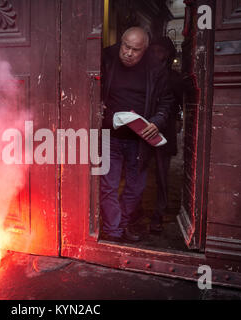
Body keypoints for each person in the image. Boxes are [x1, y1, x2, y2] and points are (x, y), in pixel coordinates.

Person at [100, 27, 173, 243]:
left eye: (135, 50)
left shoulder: (155, 68)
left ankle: (122, 224)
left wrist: (157, 121)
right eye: (126, 46)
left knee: (136, 187)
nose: (129, 53)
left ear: (145, 50)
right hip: (109, 135)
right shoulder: (106, 58)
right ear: (120, 42)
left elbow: (167, 101)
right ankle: (113, 231)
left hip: (139, 140)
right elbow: (89, 82)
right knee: (108, 186)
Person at [149, 37, 184, 233]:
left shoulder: (173, 78)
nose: (156, 54)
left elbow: (179, 102)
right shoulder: (143, 73)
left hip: (165, 129)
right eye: (153, 50)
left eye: (160, 51)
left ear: (168, 54)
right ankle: (135, 210)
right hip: (142, 130)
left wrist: (177, 118)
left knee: (162, 175)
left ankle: (158, 215)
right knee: (139, 173)